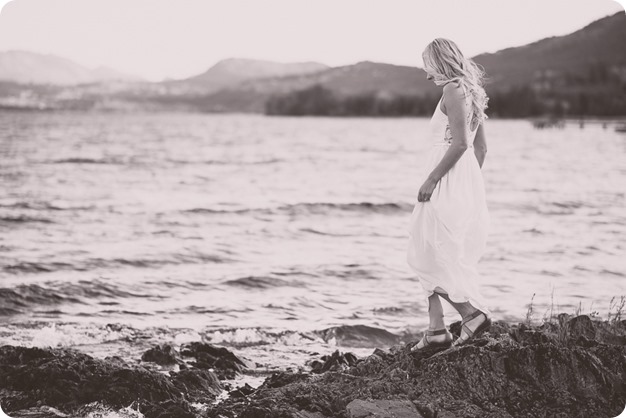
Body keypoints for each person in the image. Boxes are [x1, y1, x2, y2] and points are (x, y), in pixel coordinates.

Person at [406, 38, 493, 351]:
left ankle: (470, 315)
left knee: (423, 252)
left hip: (445, 179)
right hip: (458, 180)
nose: (427, 74)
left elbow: (459, 144)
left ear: (440, 61)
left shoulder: (453, 90)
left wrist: (434, 179)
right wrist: (465, 182)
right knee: (428, 248)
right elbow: (480, 149)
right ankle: (436, 329)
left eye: (428, 65)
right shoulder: (471, 91)